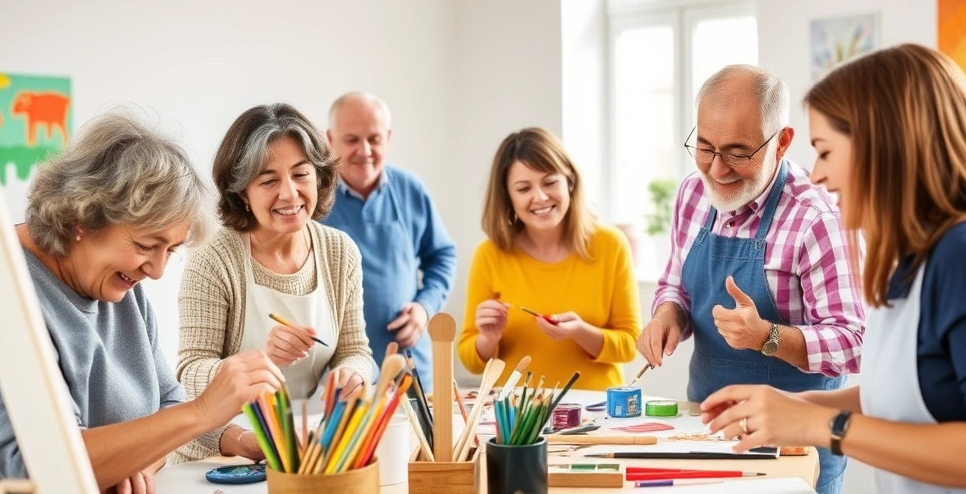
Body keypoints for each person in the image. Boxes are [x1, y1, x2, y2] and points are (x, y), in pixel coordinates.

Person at [702, 44, 966, 493]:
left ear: (885, 149)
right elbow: (910, 395)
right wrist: (792, 406)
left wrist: (822, 425)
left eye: (826, 152)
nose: (817, 175)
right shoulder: (911, 260)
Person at [0, 111, 285, 492]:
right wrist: (201, 412)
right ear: (83, 217)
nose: (157, 271)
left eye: (171, 250)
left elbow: (168, 401)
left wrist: (135, 458)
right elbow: (41, 466)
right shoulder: (4, 294)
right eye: (146, 245)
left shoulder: (119, 286)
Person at [635, 65, 865, 494]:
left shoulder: (817, 218)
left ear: (782, 141)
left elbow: (853, 341)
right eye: (705, 147)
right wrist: (667, 315)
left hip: (796, 444)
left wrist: (767, 337)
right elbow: (675, 285)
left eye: (737, 153)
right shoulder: (692, 194)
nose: (716, 169)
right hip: (704, 430)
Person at [177, 103, 376, 460]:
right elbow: (189, 372)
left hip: (304, 448)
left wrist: (351, 374)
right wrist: (258, 361)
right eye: (269, 181)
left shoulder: (340, 251)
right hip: (224, 453)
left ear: (319, 177)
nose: (289, 193)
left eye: (301, 174)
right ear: (242, 192)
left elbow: (356, 351)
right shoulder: (214, 257)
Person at [457, 127, 642, 390]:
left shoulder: (611, 245)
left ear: (570, 182)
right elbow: (471, 362)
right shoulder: (489, 255)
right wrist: (488, 338)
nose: (540, 197)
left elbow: (630, 345)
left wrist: (579, 331)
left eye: (550, 182)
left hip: (595, 408)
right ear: (508, 197)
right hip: (517, 409)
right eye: (523, 188)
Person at [322, 92, 456, 387]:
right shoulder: (315, 198)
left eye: (374, 139)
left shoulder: (410, 189)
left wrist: (424, 308)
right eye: (352, 140)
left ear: (388, 137)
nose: (364, 150)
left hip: (411, 366)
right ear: (330, 139)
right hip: (342, 374)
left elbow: (442, 256)